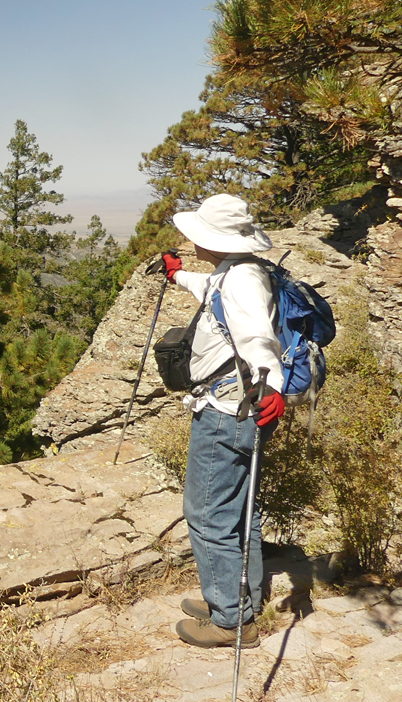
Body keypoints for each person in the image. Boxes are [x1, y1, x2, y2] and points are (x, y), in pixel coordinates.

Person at [157, 194, 286, 648]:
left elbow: (256, 337)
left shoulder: (241, 281)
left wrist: (272, 385)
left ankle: (230, 621)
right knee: (238, 510)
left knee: (208, 513)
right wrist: (178, 275)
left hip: (226, 411)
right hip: (241, 408)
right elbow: (214, 297)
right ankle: (240, 599)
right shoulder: (233, 272)